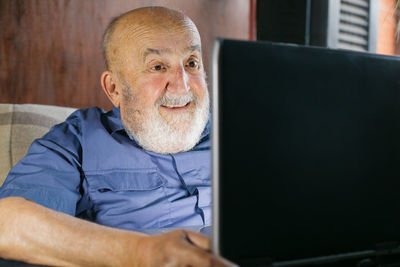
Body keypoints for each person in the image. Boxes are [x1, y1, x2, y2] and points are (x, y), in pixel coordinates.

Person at [0, 6, 234, 266]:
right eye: (157, 66)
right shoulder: (78, 140)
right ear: (114, 88)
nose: (183, 85)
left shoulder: (237, 129)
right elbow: (7, 226)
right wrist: (143, 253)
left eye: (191, 63)